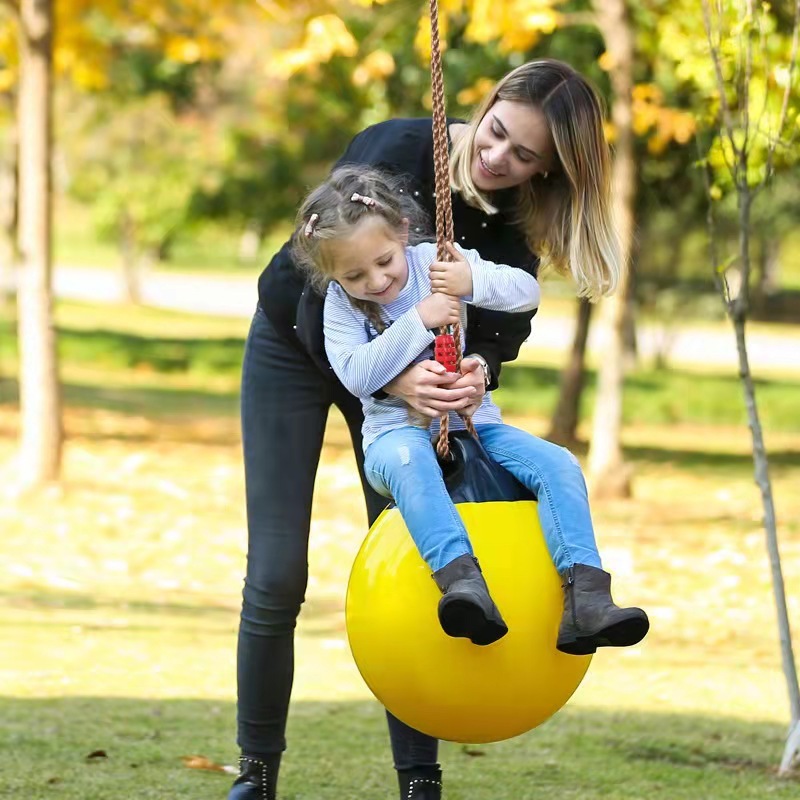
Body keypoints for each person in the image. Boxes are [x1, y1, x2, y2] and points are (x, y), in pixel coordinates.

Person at [231, 59, 636, 800]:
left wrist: (476, 367)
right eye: (497, 133)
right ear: (486, 105)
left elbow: (506, 323)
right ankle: (256, 773)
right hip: (299, 347)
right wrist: (390, 375)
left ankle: (419, 779)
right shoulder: (396, 150)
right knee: (278, 572)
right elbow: (310, 279)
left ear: (547, 171)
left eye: (524, 157)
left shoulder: (514, 219)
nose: (498, 158)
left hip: (417, 396)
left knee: (424, 562)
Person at [291, 163, 649, 654]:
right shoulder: (341, 305)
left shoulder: (436, 262)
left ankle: (586, 597)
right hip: (394, 438)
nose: (376, 280)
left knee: (559, 464)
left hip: (476, 424)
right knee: (411, 462)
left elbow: (526, 294)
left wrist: (470, 281)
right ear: (331, 274)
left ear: (401, 231)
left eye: (384, 261)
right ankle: (463, 584)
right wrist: (419, 319)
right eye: (354, 274)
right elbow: (355, 374)